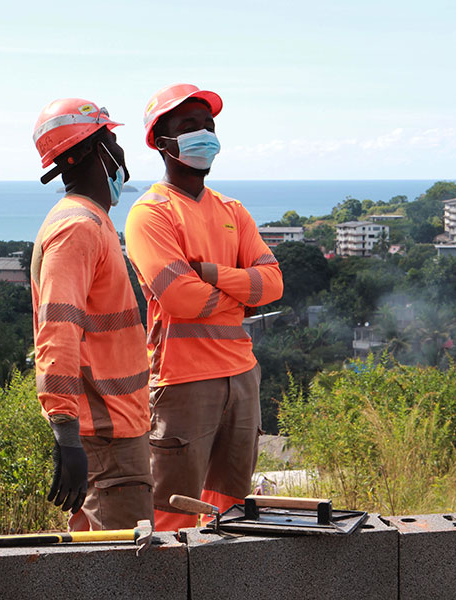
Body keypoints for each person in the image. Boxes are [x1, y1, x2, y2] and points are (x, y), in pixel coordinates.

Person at [125, 83, 284, 530]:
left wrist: (211, 274)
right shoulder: (151, 213)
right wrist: (241, 295)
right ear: (161, 141)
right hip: (182, 382)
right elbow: (180, 298)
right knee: (173, 513)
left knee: (230, 513)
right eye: (190, 126)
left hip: (241, 376)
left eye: (209, 126)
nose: (205, 135)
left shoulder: (233, 209)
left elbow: (273, 283)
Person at [30, 98, 153, 531]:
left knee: (97, 566)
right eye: (113, 142)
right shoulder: (78, 227)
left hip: (112, 428)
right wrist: (66, 431)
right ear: (91, 153)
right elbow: (57, 333)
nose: (121, 155)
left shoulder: (91, 222)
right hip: (106, 434)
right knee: (127, 572)